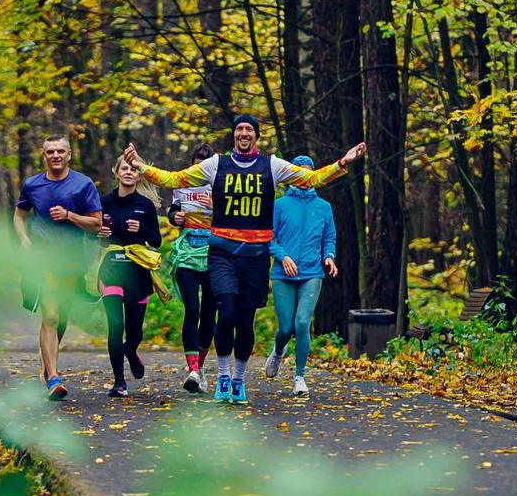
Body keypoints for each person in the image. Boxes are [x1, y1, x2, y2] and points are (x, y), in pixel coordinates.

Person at [124, 115, 364, 405]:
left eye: (249, 129)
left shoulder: (272, 166)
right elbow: (175, 179)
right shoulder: (217, 165)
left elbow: (310, 178)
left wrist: (343, 162)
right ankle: (223, 376)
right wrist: (141, 166)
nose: (243, 133)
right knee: (225, 313)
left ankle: (239, 379)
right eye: (239, 128)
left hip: (256, 256)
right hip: (223, 252)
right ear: (234, 136)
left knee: (244, 320)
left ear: (257, 136)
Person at [13, 134, 103, 400]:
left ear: (69, 155)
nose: (55, 156)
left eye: (60, 151)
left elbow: (96, 224)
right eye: (50, 152)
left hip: (72, 261)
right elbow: (19, 216)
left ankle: (47, 365)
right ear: (44, 155)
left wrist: (69, 216)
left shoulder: (83, 184)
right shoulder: (32, 184)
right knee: (50, 315)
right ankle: (53, 378)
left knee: (61, 316)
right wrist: (25, 239)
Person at [264, 155, 337, 397]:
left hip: (312, 272)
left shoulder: (324, 207)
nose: (304, 179)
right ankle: (277, 350)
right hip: (283, 274)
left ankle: (299, 376)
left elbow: (329, 238)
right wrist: (283, 257)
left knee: (302, 323)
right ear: (291, 176)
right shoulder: (279, 205)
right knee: (286, 328)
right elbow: (267, 238)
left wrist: (329, 256)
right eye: (299, 174)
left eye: (308, 174)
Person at [95, 153, 163, 397]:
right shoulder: (103, 202)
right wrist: (99, 235)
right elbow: (93, 239)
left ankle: (131, 350)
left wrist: (142, 228)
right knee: (115, 325)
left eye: (133, 170)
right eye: (124, 168)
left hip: (137, 271)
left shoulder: (145, 205)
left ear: (138, 174)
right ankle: (119, 382)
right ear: (116, 171)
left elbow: (156, 240)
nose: (128, 173)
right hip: (111, 267)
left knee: (134, 332)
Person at [167, 142, 217, 394]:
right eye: (196, 162)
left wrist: (217, 205)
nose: (199, 168)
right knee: (193, 309)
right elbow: (173, 211)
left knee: (209, 312)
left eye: (204, 164)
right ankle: (193, 369)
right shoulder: (182, 183)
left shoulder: (220, 185)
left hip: (214, 255)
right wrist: (173, 216)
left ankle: (201, 368)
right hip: (187, 253)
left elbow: (235, 218)